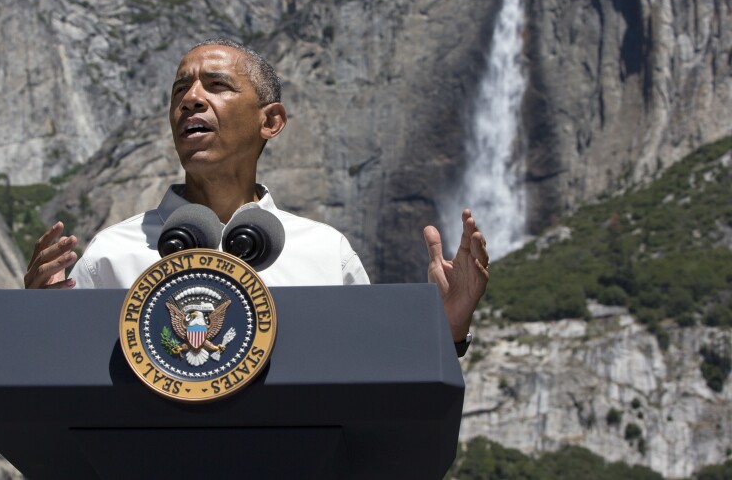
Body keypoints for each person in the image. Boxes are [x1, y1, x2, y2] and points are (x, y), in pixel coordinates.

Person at [24, 38, 490, 354]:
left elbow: (370, 382)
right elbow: (58, 387)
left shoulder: (327, 254)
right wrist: (36, 325)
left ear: (271, 121)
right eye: (180, 89)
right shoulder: (110, 253)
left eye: (217, 85)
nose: (191, 99)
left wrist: (447, 332)